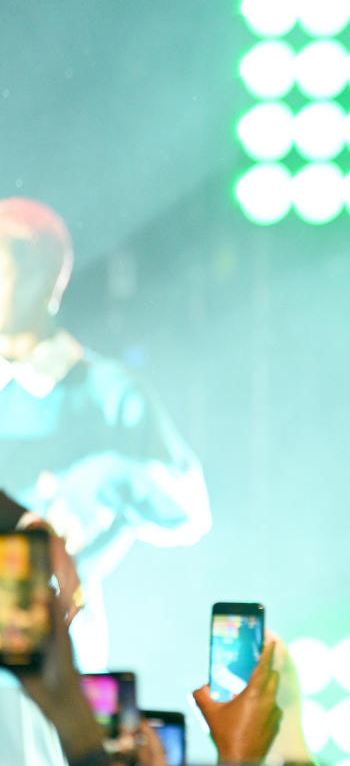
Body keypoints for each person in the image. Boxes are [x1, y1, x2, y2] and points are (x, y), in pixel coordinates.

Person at [0, 196, 212, 671]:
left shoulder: (107, 391)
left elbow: (190, 507)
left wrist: (103, 480)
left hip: (62, 664)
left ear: (47, 279)